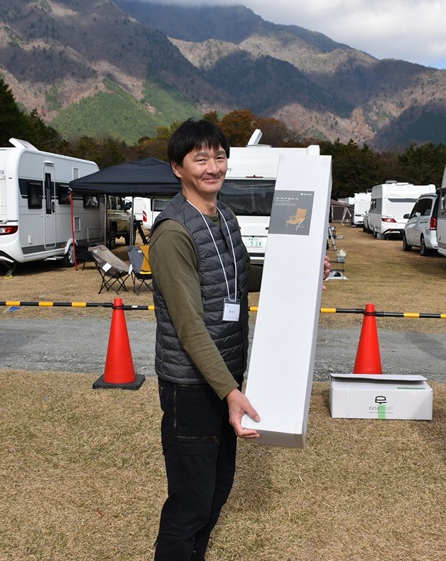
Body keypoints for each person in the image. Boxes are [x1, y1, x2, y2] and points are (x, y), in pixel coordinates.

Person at [149, 118, 263, 561]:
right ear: (177, 168)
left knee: (217, 488)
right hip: (192, 387)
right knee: (190, 504)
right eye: (200, 159)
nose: (213, 167)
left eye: (219, 156)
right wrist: (230, 392)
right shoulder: (173, 233)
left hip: (224, 379)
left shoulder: (225, 216)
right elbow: (189, 326)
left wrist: (303, 269)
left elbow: (239, 276)